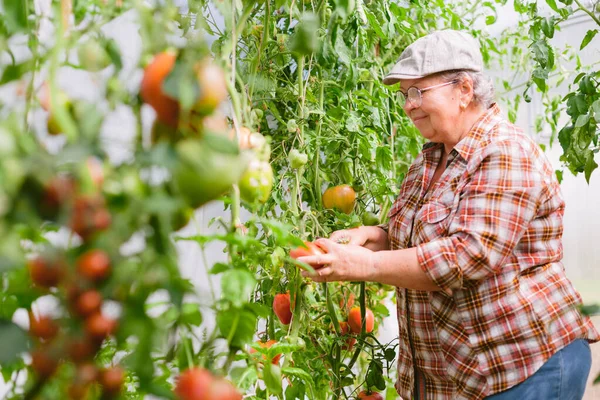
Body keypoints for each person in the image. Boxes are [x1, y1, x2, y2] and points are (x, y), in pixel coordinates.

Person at [297, 29, 599, 400]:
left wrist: (364, 266)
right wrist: (372, 237)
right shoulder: (431, 159)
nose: (408, 104)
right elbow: (418, 235)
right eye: (404, 94)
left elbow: (467, 256)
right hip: (459, 380)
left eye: (417, 91)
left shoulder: (504, 152)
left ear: (464, 89)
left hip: (523, 368)